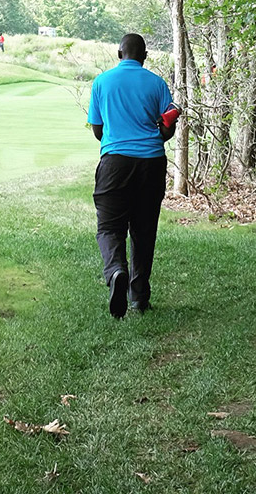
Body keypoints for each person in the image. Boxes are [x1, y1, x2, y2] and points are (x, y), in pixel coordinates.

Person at [87, 32, 178, 318]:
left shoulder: (102, 82)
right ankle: (138, 297)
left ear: (119, 53)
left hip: (115, 163)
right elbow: (167, 130)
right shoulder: (157, 83)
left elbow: (98, 129)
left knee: (109, 227)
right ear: (145, 56)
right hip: (151, 163)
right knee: (144, 230)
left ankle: (116, 271)